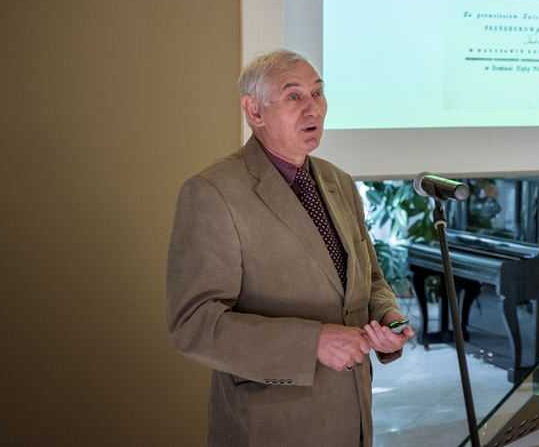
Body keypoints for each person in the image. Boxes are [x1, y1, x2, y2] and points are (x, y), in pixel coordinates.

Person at [167, 48, 414, 446]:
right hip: (272, 426)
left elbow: (370, 277)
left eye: (317, 92)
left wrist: (386, 318)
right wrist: (311, 342)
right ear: (255, 111)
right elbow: (193, 324)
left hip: (352, 420)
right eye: (294, 96)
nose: (312, 109)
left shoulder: (339, 182)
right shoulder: (213, 192)